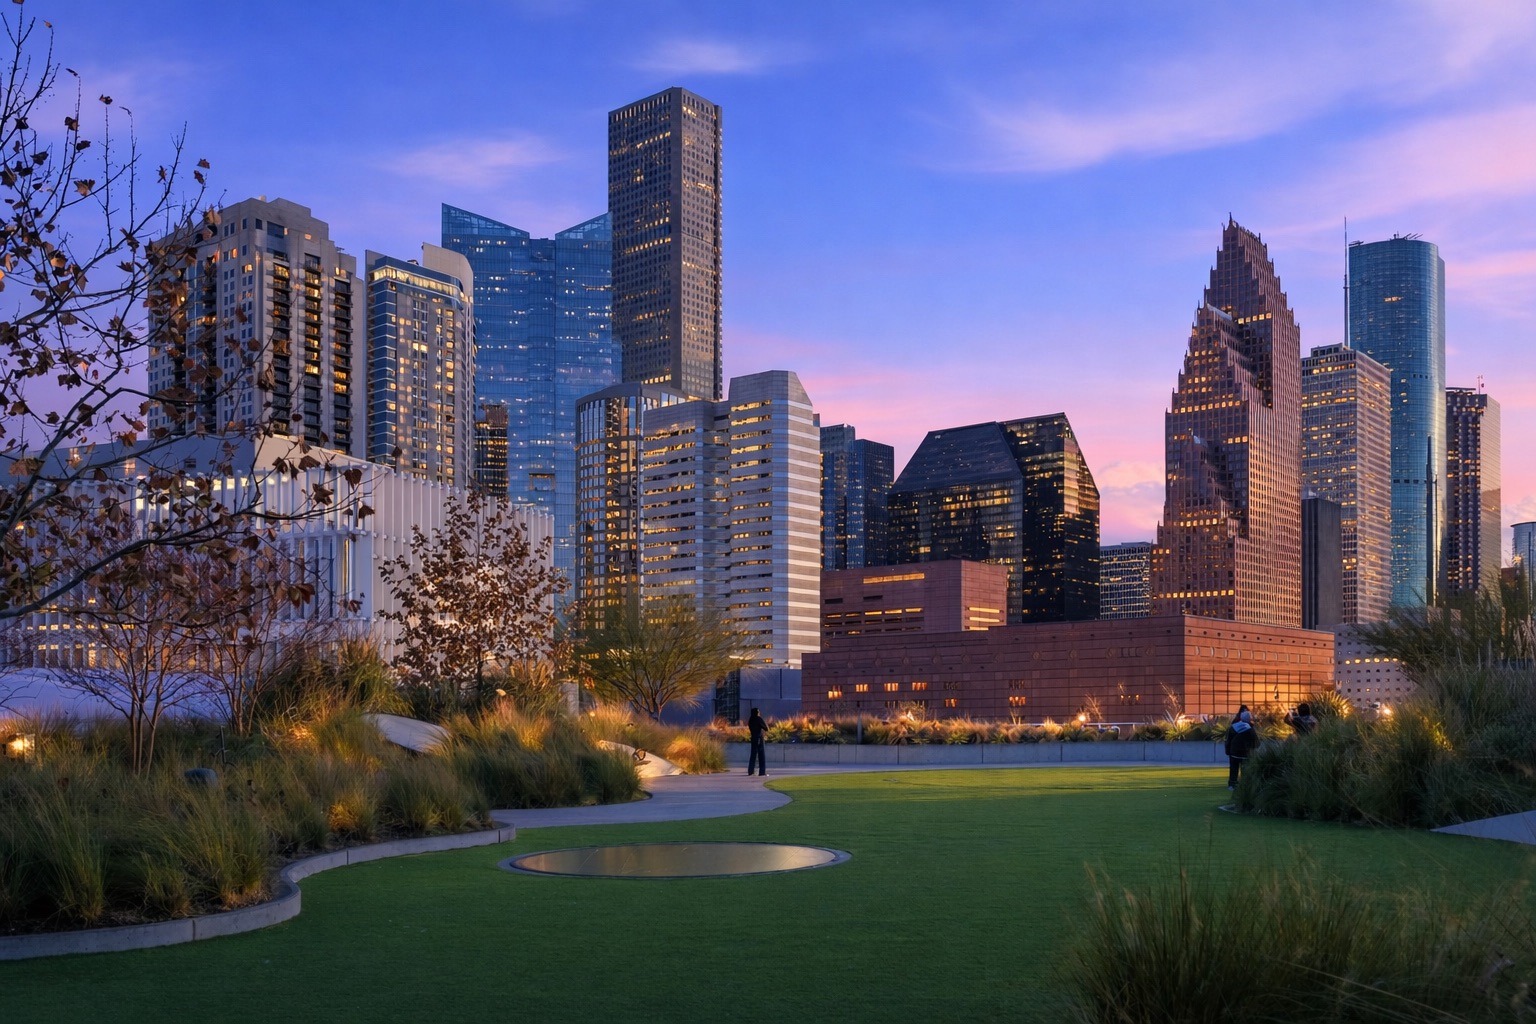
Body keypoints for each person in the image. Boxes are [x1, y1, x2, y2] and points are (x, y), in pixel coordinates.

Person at [1224, 709, 1257, 791]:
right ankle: (1245, 785)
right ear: (1249, 719)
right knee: (1245, 770)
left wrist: (1228, 751)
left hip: (1234, 753)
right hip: (1245, 753)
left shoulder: (1233, 727)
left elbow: (1228, 740)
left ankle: (1232, 785)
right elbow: (1256, 742)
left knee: (1233, 770)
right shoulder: (1250, 729)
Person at [746, 707, 768, 777]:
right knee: (761, 756)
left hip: (753, 738)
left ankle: (750, 771)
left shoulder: (751, 720)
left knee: (753, 755)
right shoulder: (758, 719)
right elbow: (766, 728)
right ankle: (762, 772)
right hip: (759, 738)